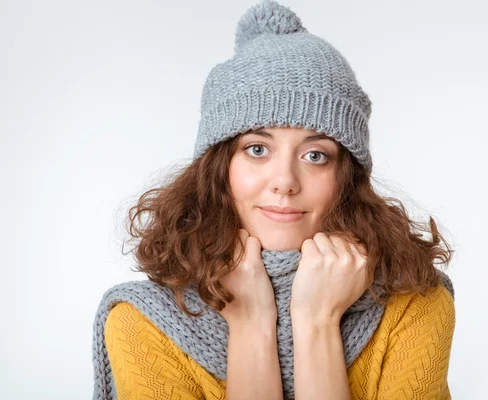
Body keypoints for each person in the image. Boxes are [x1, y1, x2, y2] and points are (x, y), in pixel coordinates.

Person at [91, 0, 456, 399]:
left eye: (315, 155)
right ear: (219, 167)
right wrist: (250, 324)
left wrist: (318, 321)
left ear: (346, 178)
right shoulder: (144, 322)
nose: (284, 182)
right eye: (257, 149)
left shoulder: (415, 304)